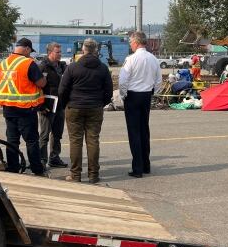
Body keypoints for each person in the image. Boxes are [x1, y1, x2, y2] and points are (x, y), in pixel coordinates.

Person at [59, 38, 113, 183]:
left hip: (74, 107)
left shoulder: (72, 67)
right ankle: (93, 175)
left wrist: (66, 104)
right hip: (95, 107)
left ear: (83, 49)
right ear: (96, 50)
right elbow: (109, 91)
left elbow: (63, 89)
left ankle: (75, 175)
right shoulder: (103, 68)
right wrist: (101, 103)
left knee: (75, 141)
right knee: (93, 140)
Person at [0, 38, 47, 176]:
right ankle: (37, 169)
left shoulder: (3, 63)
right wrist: (45, 78)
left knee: (12, 140)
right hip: (25, 109)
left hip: (8, 107)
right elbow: (41, 83)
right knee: (31, 141)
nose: (30, 54)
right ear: (26, 48)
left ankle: (13, 169)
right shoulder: (28, 63)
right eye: (30, 51)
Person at [118, 31, 162, 178]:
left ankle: (137, 168)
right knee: (144, 130)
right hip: (146, 95)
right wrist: (152, 92)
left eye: (131, 42)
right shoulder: (153, 59)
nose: (130, 45)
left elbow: (123, 80)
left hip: (133, 95)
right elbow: (159, 81)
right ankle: (146, 165)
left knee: (134, 132)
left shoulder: (130, 59)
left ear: (136, 43)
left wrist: (124, 95)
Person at [38, 42, 68, 169]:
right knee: (44, 135)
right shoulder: (42, 67)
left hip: (60, 105)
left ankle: (54, 158)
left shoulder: (62, 66)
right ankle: (41, 160)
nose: (60, 54)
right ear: (50, 52)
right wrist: (41, 106)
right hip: (47, 106)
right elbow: (36, 87)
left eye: (60, 52)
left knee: (57, 134)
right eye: (58, 52)